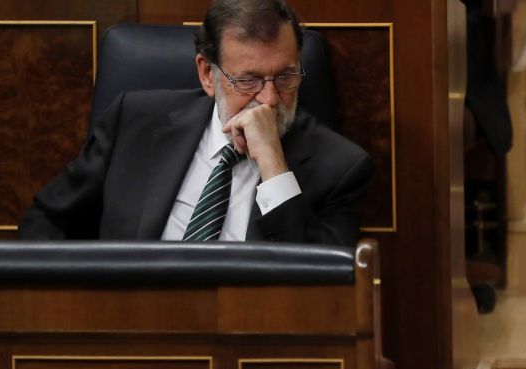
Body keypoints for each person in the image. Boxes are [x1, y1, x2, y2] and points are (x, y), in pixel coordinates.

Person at [18, 0, 372, 247]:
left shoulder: (339, 167)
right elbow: (47, 221)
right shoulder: (136, 121)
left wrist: (273, 166)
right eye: (248, 80)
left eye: (285, 76)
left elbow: (319, 289)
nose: (269, 99)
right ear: (207, 74)